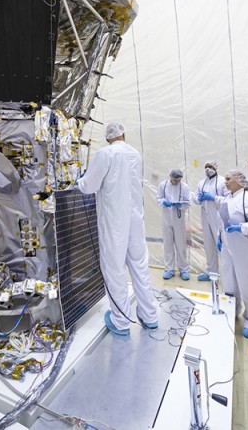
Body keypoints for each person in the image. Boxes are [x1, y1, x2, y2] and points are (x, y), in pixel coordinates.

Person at [76, 122, 159, 336]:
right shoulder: (135, 154)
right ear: (124, 134)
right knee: (139, 265)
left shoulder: (106, 154)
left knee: (114, 269)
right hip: (135, 219)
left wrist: (80, 180)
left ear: (107, 138)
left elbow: (90, 186)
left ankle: (120, 321)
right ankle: (150, 315)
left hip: (115, 222)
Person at [217, 169, 248, 339]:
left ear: (239, 180)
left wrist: (241, 228)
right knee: (229, 282)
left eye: (228, 178)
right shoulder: (227, 198)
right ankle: (233, 310)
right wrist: (219, 236)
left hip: (245, 248)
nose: (225, 181)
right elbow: (221, 221)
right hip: (228, 246)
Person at [193, 161, 229, 282]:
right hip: (205, 215)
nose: (208, 169)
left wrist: (214, 198)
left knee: (221, 246)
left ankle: (227, 274)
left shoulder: (223, 181)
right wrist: (198, 198)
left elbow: (228, 199)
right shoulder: (201, 183)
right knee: (208, 246)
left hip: (218, 216)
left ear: (216, 168)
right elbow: (196, 198)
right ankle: (211, 273)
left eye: (210, 167)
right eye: (206, 167)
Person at [157, 169, 191, 281]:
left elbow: (188, 202)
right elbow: (158, 199)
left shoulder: (184, 187)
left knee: (181, 244)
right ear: (170, 177)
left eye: (178, 180)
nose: (176, 182)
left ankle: (183, 269)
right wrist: (163, 202)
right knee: (168, 243)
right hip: (166, 217)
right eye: (174, 180)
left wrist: (179, 205)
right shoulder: (163, 185)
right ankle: (169, 269)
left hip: (178, 217)